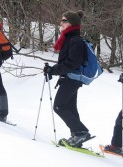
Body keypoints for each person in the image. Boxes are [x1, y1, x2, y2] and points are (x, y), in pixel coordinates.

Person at [43, 10, 93, 147]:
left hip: (72, 78)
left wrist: (53, 70)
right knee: (70, 107)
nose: (61, 23)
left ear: (72, 23)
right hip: (70, 78)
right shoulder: (69, 39)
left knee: (59, 106)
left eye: (64, 21)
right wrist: (51, 69)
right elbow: (66, 61)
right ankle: (77, 136)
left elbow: (72, 63)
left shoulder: (76, 40)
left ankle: (81, 132)